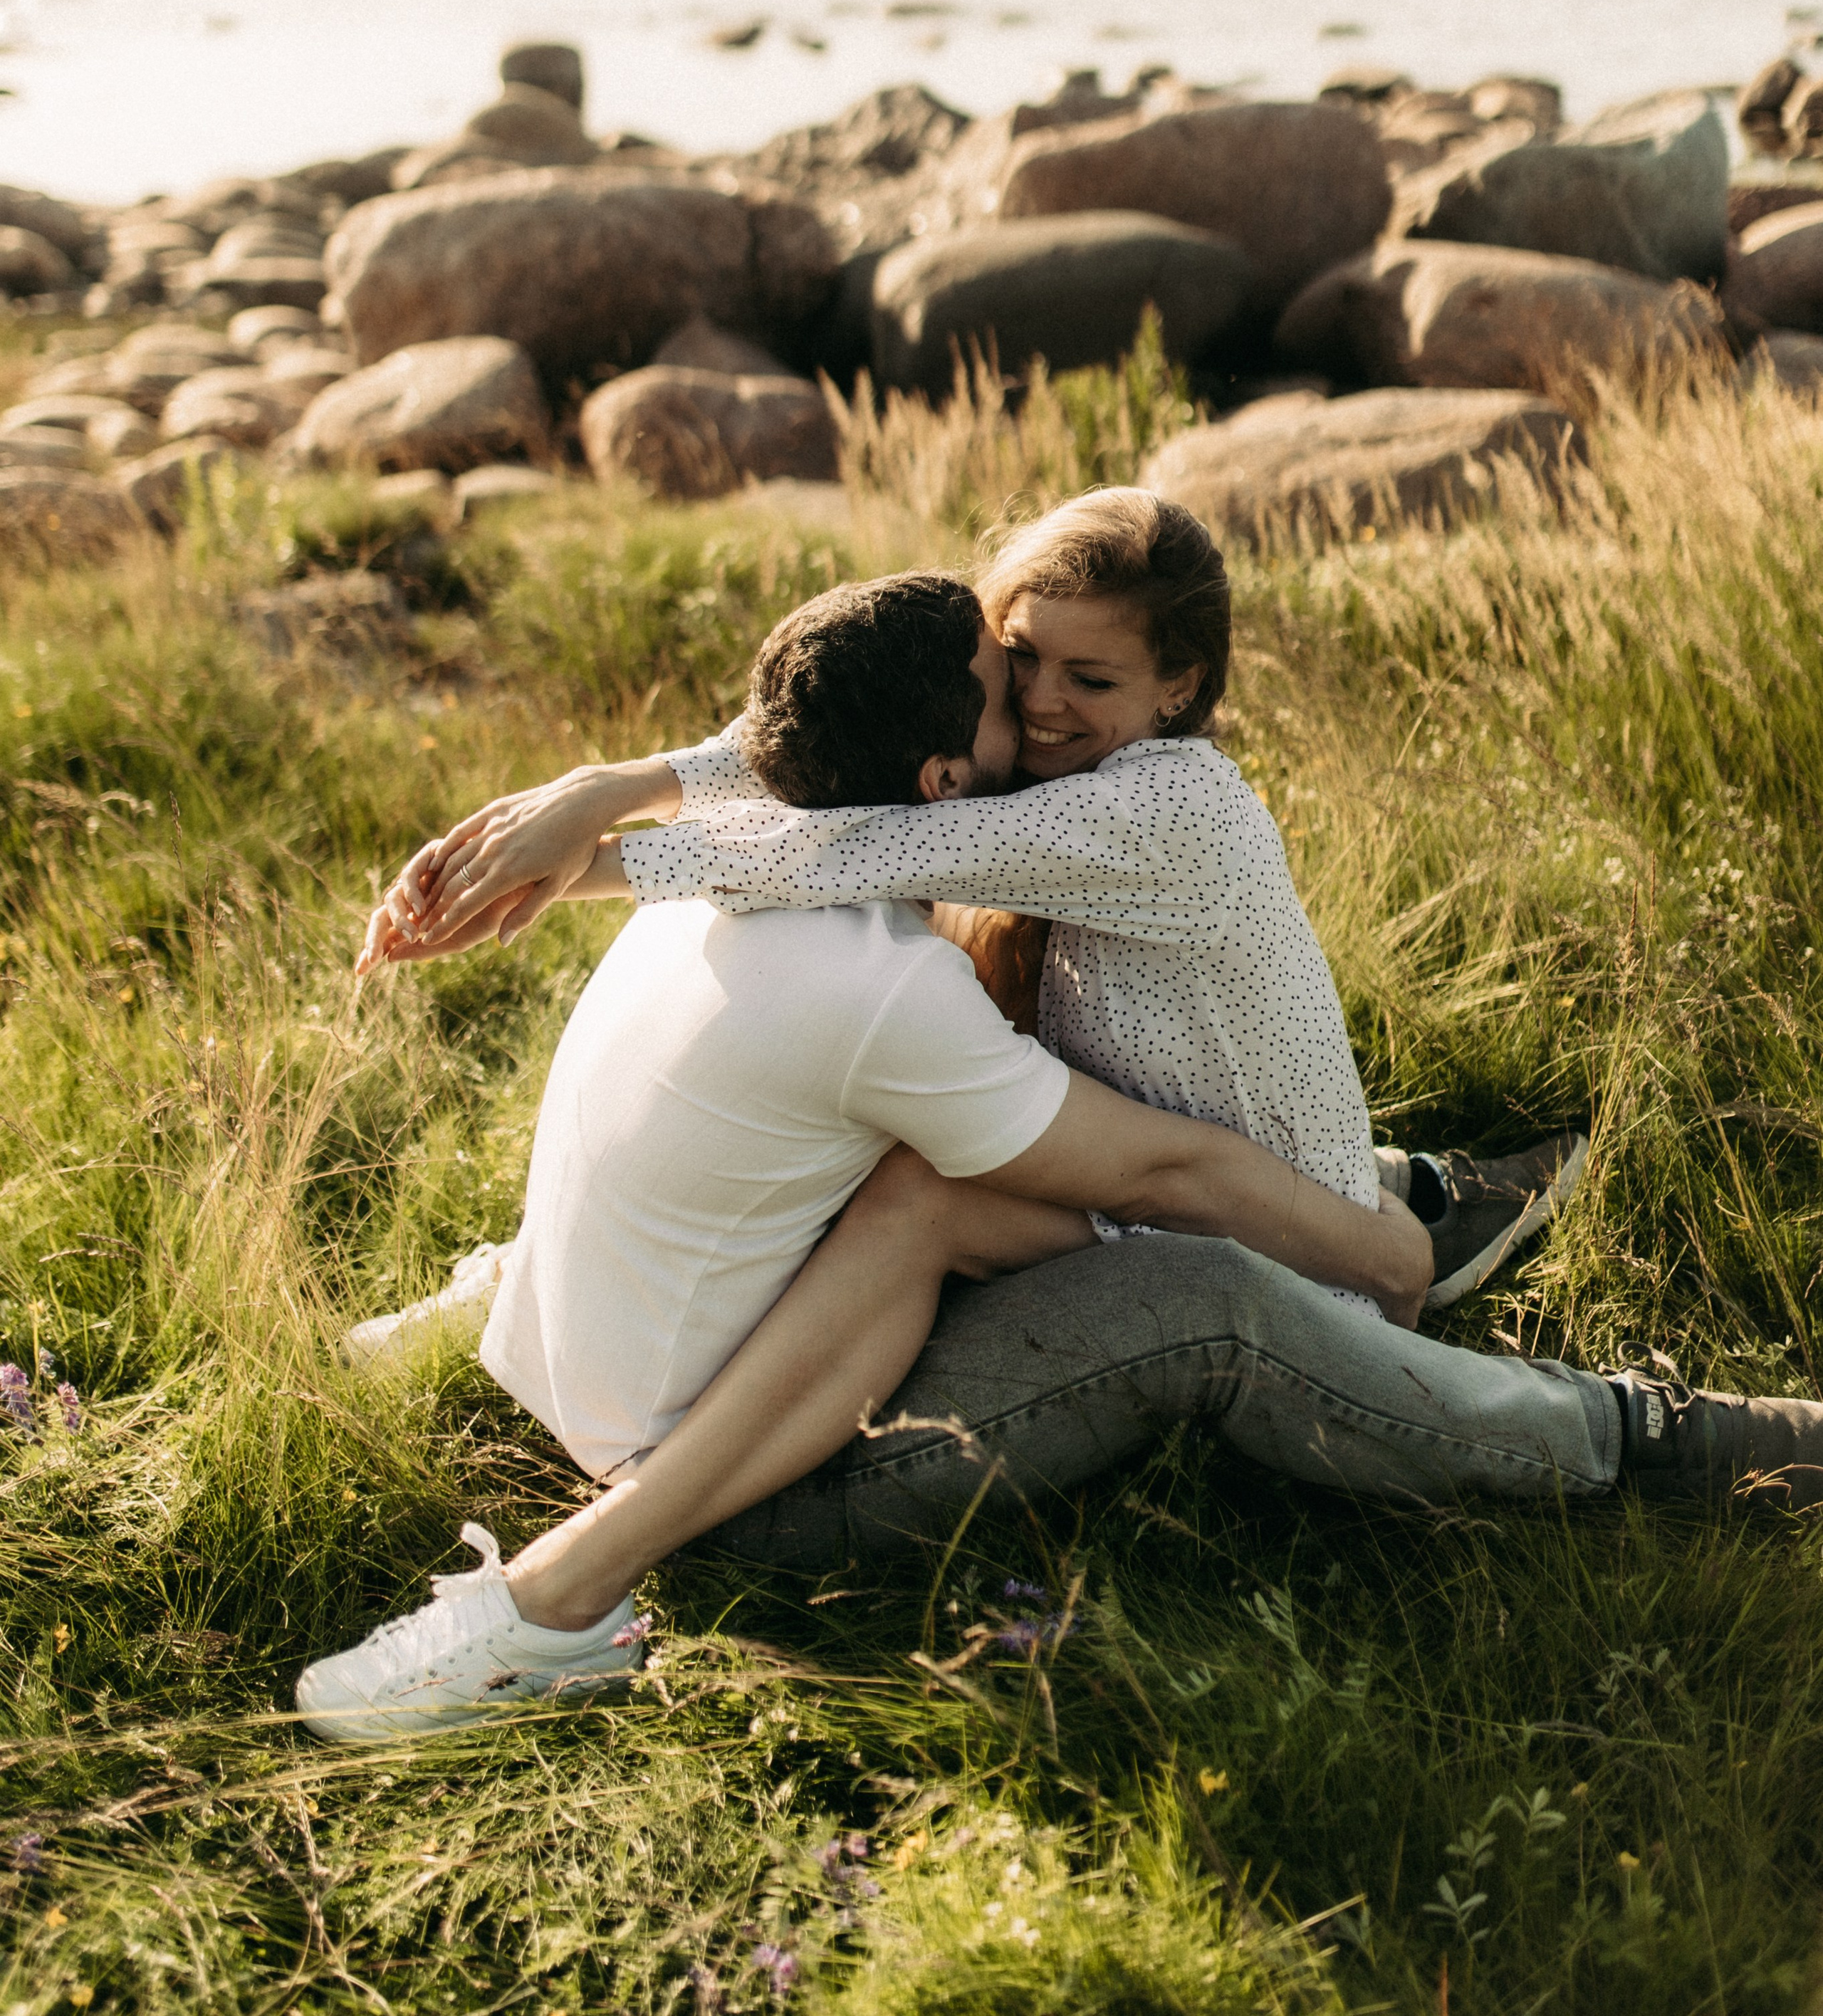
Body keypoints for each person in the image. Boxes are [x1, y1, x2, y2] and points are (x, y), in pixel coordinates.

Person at [301, 567, 1823, 1744]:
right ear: (937, 782)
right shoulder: (876, 986)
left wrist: (602, 797)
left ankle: (1411, 1190)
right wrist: (1362, 1250)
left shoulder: (730, 880)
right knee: (1205, 1293)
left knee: (1002, 1186)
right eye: (1002, 687)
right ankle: (1635, 1432)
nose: (1032, 711)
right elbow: (1156, 1173)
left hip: (611, 1361)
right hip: (727, 1481)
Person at [366, 491, 1585, 1327]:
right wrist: (603, 791)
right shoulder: (1060, 765)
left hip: (1284, 1267)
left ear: (1181, 687)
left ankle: (535, 1297)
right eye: (1021, 665)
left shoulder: (1169, 812)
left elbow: (854, 843)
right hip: (1149, 1179)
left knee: (881, 1151)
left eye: (1091, 679)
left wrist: (575, 858)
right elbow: (845, 743)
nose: (1044, 706)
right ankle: (528, 1279)